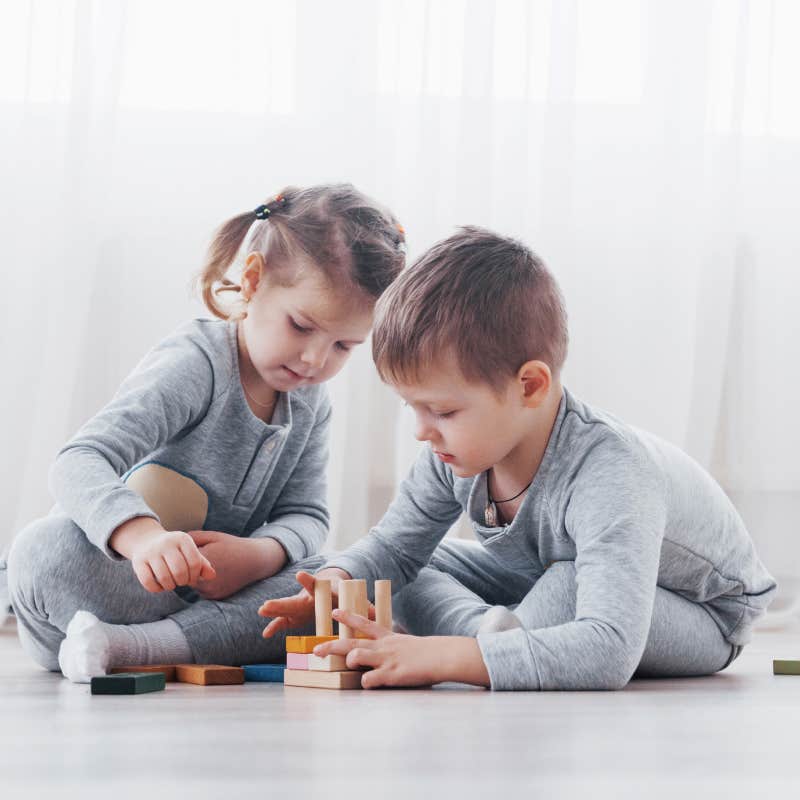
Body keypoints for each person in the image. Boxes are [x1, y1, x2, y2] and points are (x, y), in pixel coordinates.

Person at [261, 226, 777, 691]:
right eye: (411, 408)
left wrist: (443, 656)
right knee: (403, 570)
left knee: (569, 583)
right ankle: (504, 637)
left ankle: (490, 644)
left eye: (441, 409)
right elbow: (396, 548)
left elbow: (611, 648)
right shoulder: (455, 450)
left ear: (529, 386)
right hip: (543, 580)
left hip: (698, 614)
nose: (421, 430)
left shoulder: (610, 471)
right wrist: (338, 579)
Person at [7, 184, 405, 682]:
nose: (314, 360)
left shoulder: (310, 402)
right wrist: (145, 539)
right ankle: (128, 638)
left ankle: (129, 647)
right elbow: (79, 460)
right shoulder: (197, 363)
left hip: (215, 600)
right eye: (301, 327)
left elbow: (307, 515)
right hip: (117, 583)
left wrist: (258, 556)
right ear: (254, 280)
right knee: (40, 550)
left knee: (335, 580)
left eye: (343, 346)